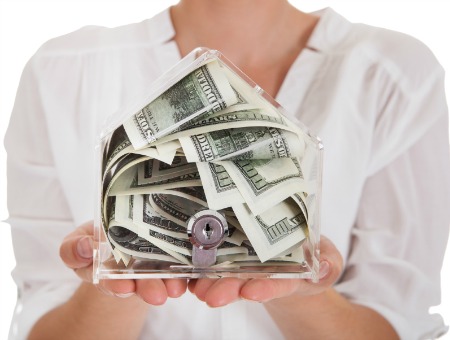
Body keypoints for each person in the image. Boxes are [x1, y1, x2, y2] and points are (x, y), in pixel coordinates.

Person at [5, 0, 450, 339]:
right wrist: (122, 280)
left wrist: (302, 294)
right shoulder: (60, 71)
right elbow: (43, 325)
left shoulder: (395, 75)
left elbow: (397, 321)